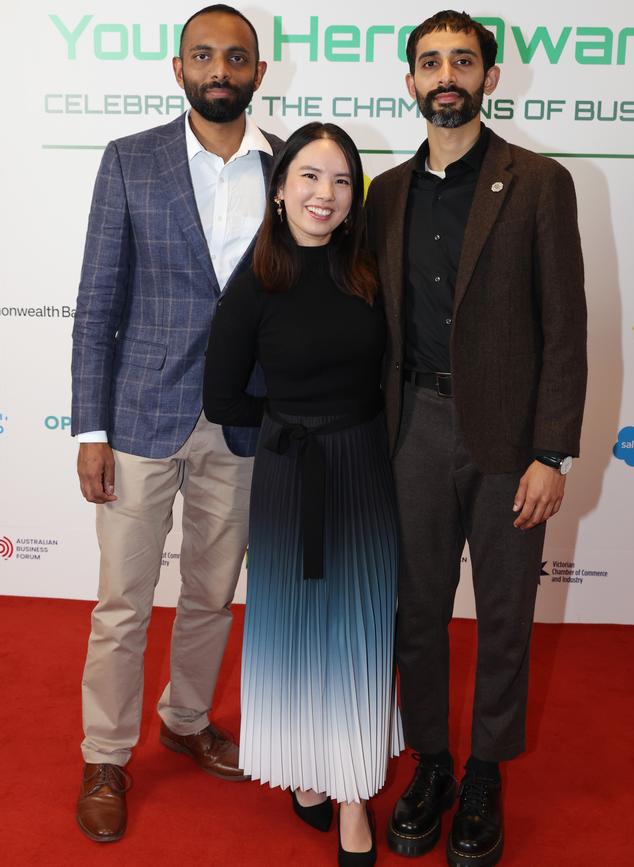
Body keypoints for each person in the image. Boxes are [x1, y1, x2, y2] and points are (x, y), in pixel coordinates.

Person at [365, 11, 587, 867]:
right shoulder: (382, 194)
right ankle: (434, 761)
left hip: (507, 442)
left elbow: (565, 326)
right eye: (431, 62)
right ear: (411, 81)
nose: (446, 74)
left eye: (463, 60)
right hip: (410, 428)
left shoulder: (538, 181)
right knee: (415, 613)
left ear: (491, 79)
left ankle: (488, 767)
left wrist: (552, 450)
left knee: (504, 615)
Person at [71, 4, 283, 843]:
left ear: (259, 73)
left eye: (236, 57)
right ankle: (104, 752)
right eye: (205, 55)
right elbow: (97, 301)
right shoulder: (131, 161)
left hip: (245, 420)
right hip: (139, 414)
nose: (220, 69)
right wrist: (89, 425)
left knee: (210, 593)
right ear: (179, 68)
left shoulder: (290, 166)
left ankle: (186, 717)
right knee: (123, 599)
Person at [203, 122, 403, 866]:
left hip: (363, 469)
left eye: (343, 181)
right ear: (280, 187)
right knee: (295, 635)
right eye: (310, 177)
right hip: (290, 476)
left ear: (356, 198)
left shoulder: (371, 270)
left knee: (356, 632)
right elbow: (222, 396)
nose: (326, 194)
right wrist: (288, 424)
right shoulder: (255, 280)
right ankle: (304, 769)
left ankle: (352, 790)